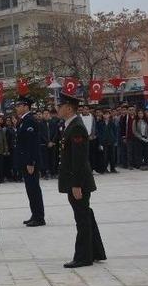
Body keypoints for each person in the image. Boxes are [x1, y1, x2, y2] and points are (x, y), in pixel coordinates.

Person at [56, 92, 106, 268]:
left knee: (82, 218)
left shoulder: (76, 127)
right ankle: (96, 251)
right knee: (86, 214)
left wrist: (76, 184)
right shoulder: (69, 125)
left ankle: (84, 257)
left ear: (69, 108)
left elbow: (79, 159)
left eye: (60, 106)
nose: (57, 109)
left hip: (78, 182)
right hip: (74, 180)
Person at [14, 96, 45, 227]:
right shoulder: (23, 120)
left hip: (30, 161)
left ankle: (39, 217)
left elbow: (31, 144)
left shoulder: (30, 121)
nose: (16, 107)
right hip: (25, 160)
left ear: (26, 106)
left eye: (18, 105)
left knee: (33, 189)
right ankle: (35, 214)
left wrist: (31, 162)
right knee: (30, 189)